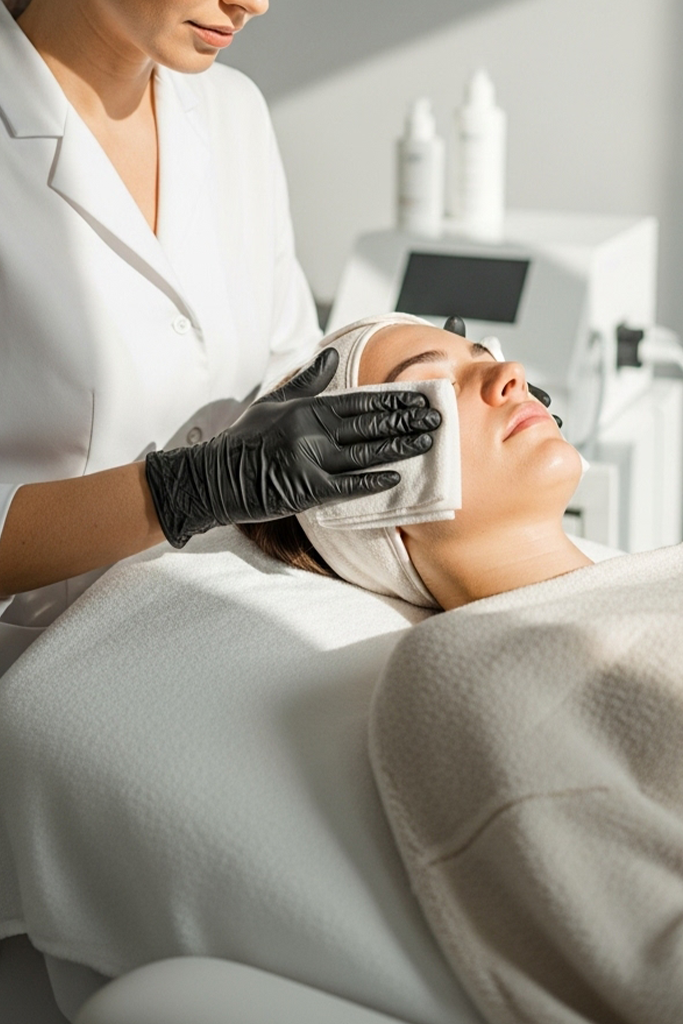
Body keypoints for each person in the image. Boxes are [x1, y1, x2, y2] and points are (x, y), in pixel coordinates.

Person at [0, 0, 439, 673]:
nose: (253, 4)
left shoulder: (232, 111)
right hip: (36, 679)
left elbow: (294, 374)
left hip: (221, 634)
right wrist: (183, 492)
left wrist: (436, 379)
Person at [238, 315, 595, 609]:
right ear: (367, 503)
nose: (512, 373)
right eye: (435, 386)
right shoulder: (462, 676)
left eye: (488, 358)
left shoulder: (644, 584)